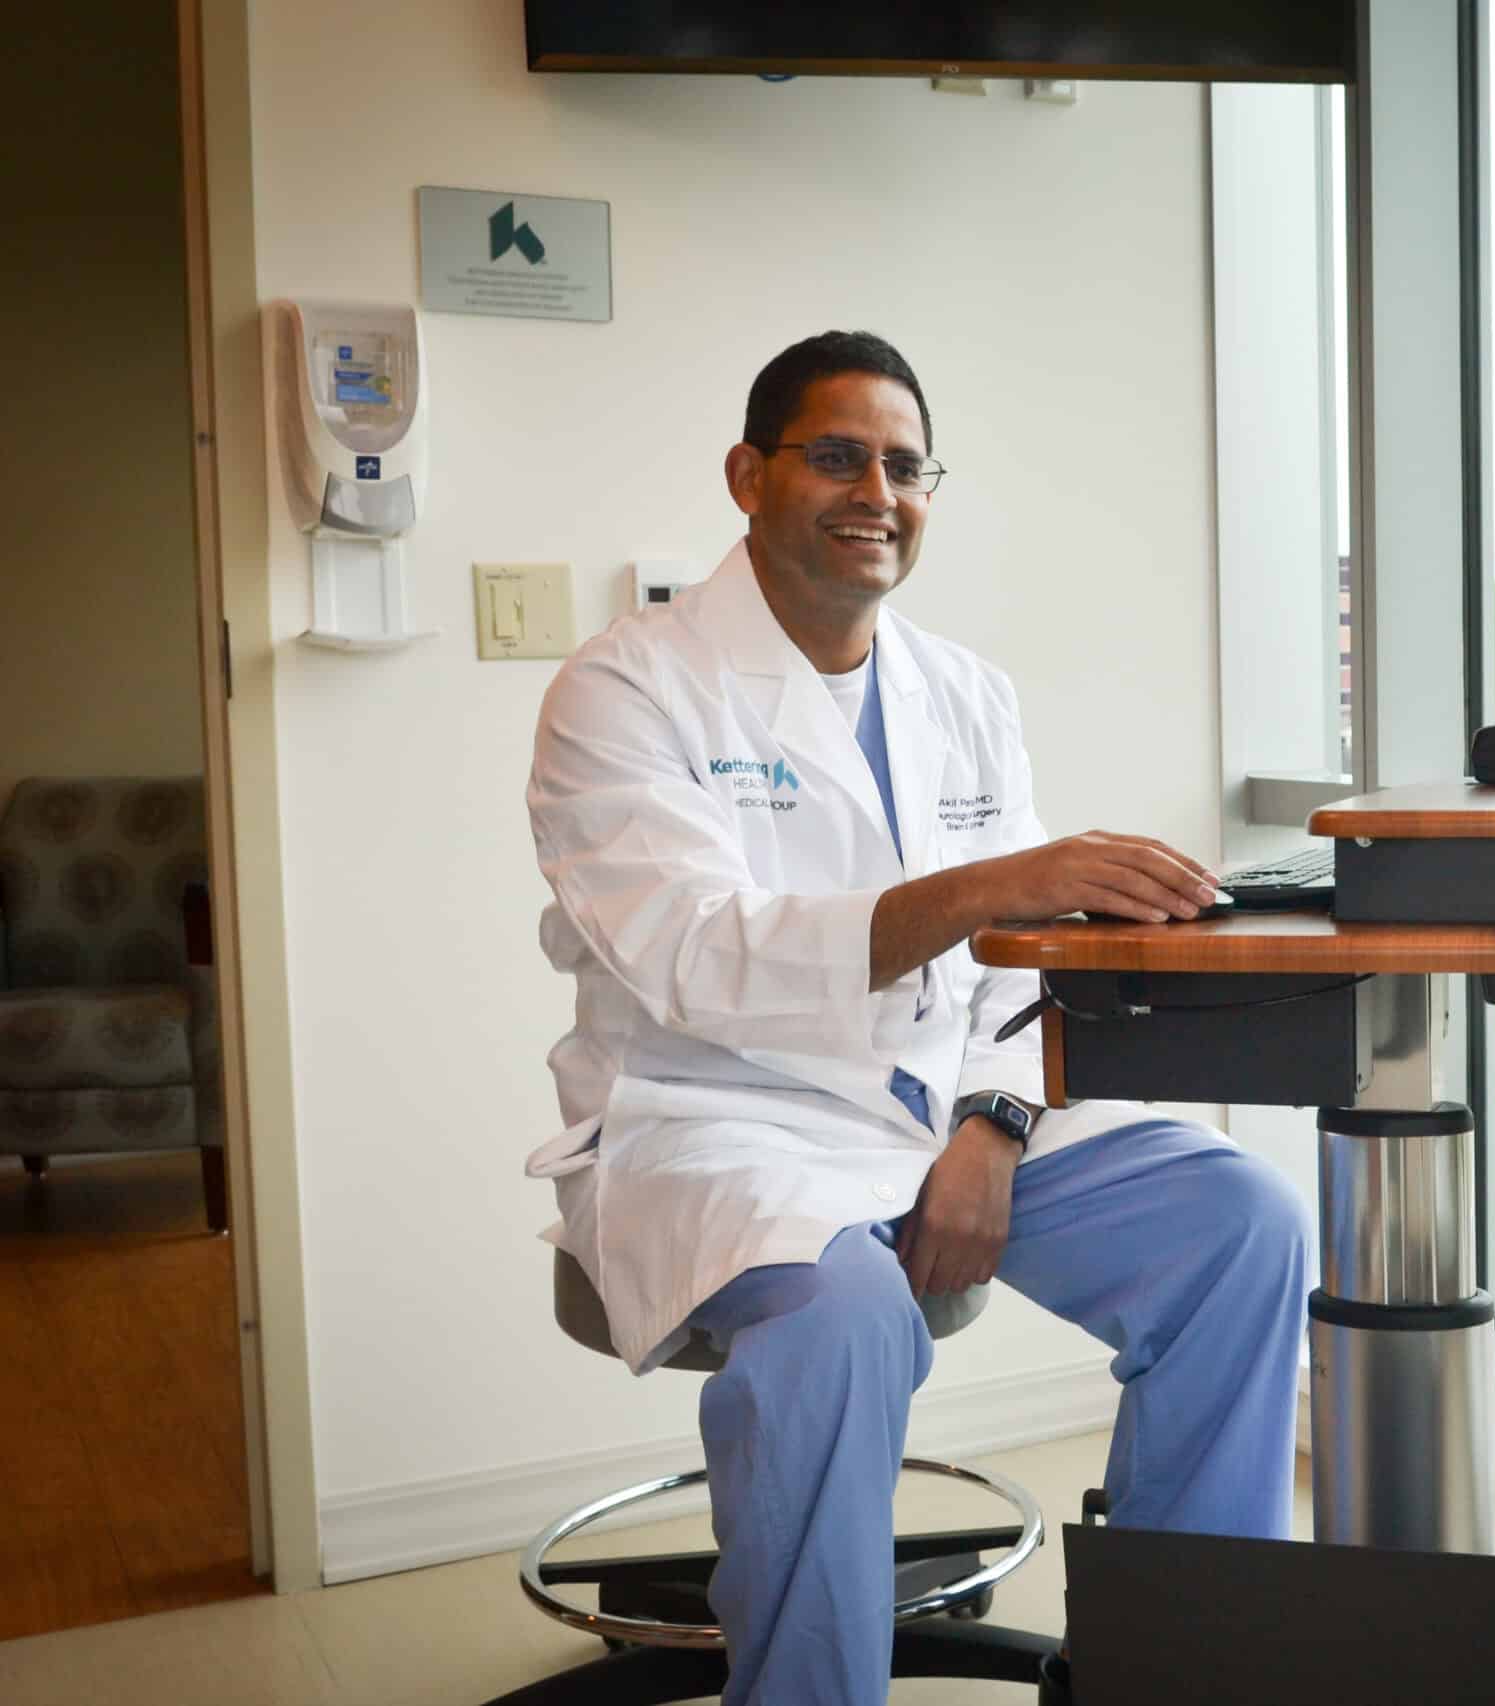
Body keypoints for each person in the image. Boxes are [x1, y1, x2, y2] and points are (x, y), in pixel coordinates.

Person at [523, 331, 1310, 1705]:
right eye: (835, 455)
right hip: (721, 1133)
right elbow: (701, 956)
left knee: (1242, 1222)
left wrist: (994, 1125)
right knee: (847, 1314)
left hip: (943, 1114)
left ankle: (1182, 1667)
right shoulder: (623, 688)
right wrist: (1000, 881)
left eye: (904, 464)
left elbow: (1014, 973)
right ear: (747, 476)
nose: (874, 490)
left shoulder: (963, 692)